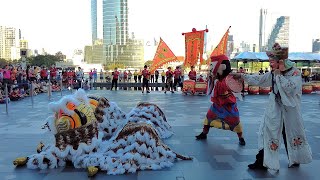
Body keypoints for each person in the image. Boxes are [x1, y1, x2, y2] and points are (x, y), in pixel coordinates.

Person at [233, 43, 312, 171]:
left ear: (281, 61)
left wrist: (279, 76)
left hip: (290, 110)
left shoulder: (294, 73)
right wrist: (242, 76)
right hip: (274, 108)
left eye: (272, 62)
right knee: (266, 132)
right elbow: (259, 80)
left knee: (290, 133)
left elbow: (291, 89)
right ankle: (262, 162)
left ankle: (296, 158)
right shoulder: (273, 73)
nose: (270, 64)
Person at [196, 55, 246, 146]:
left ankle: (241, 137)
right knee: (209, 116)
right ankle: (204, 133)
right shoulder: (217, 79)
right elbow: (210, 88)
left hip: (228, 104)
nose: (211, 69)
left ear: (222, 67)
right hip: (218, 104)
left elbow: (237, 87)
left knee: (235, 120)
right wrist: (212, 79)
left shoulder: (229, 79)